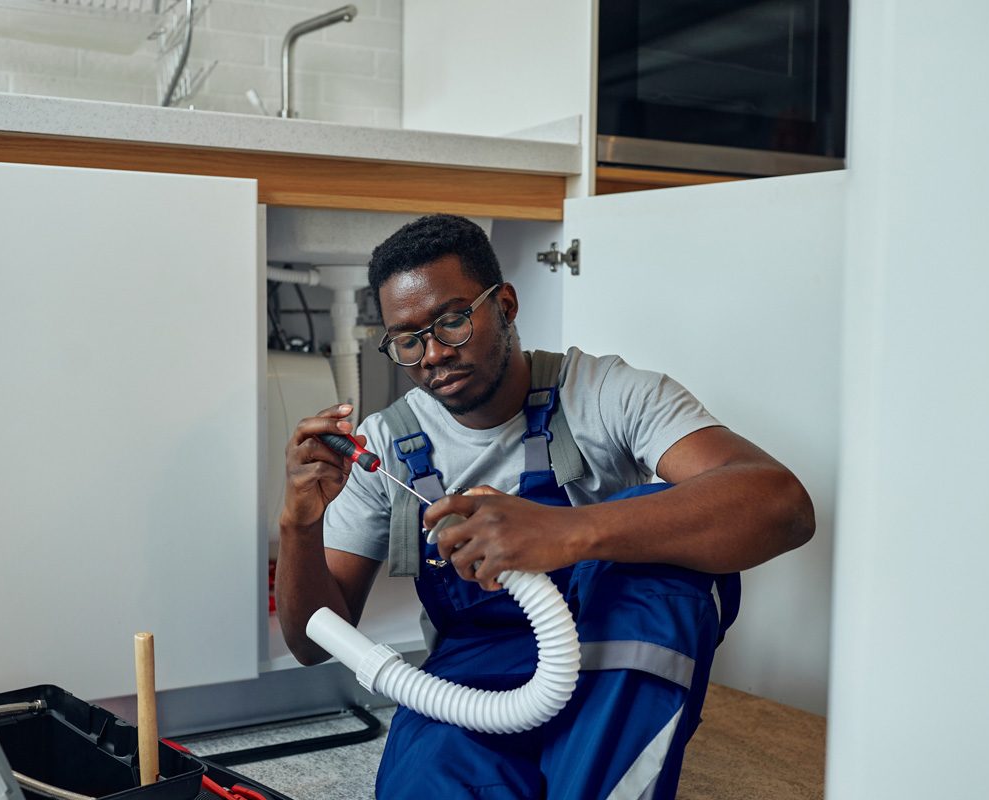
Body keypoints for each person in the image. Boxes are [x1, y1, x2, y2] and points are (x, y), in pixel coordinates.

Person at [275, 214, 814, 799]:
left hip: (602, 654)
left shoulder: (605, 393)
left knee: (664, 554)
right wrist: (298, 523)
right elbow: (310, 642)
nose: (431, 354)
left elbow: (780, 504)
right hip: (470, 684)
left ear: (505, 305)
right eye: (408, 339)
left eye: (451, 321)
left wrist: (568, 532)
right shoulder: (386, 445)